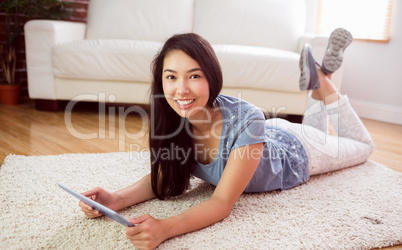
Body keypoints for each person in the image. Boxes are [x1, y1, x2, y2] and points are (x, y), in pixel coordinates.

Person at [79, 29, 374, 249]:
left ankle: (323, 83)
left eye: (194, 76)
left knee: (363, 147)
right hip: (262, 135)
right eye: (171, 77)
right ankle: (317, 87)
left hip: (296, 151)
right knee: (320, 131)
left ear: (211, 76)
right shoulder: (172, 117)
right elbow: (165, 175)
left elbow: (221, 202)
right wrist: (115, 199)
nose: (181, 89)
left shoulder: (248, 117)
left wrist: (166, 228)